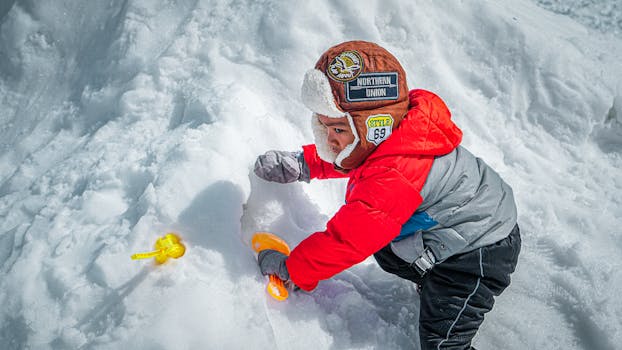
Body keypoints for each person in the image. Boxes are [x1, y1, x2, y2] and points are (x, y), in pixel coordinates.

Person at [253, 40, 521, 350]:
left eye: (338, 130)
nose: (330, 139)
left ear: (375, 126)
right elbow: (356, 156)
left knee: (443, 344)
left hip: (480, 251)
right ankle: (432, 275)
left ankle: (445, 288)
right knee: (388, 249)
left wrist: (293, 270)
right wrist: (303, 164)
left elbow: (347, 240)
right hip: (469, 222)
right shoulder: (396, 137)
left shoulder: (396, 175)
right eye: (324, 127)